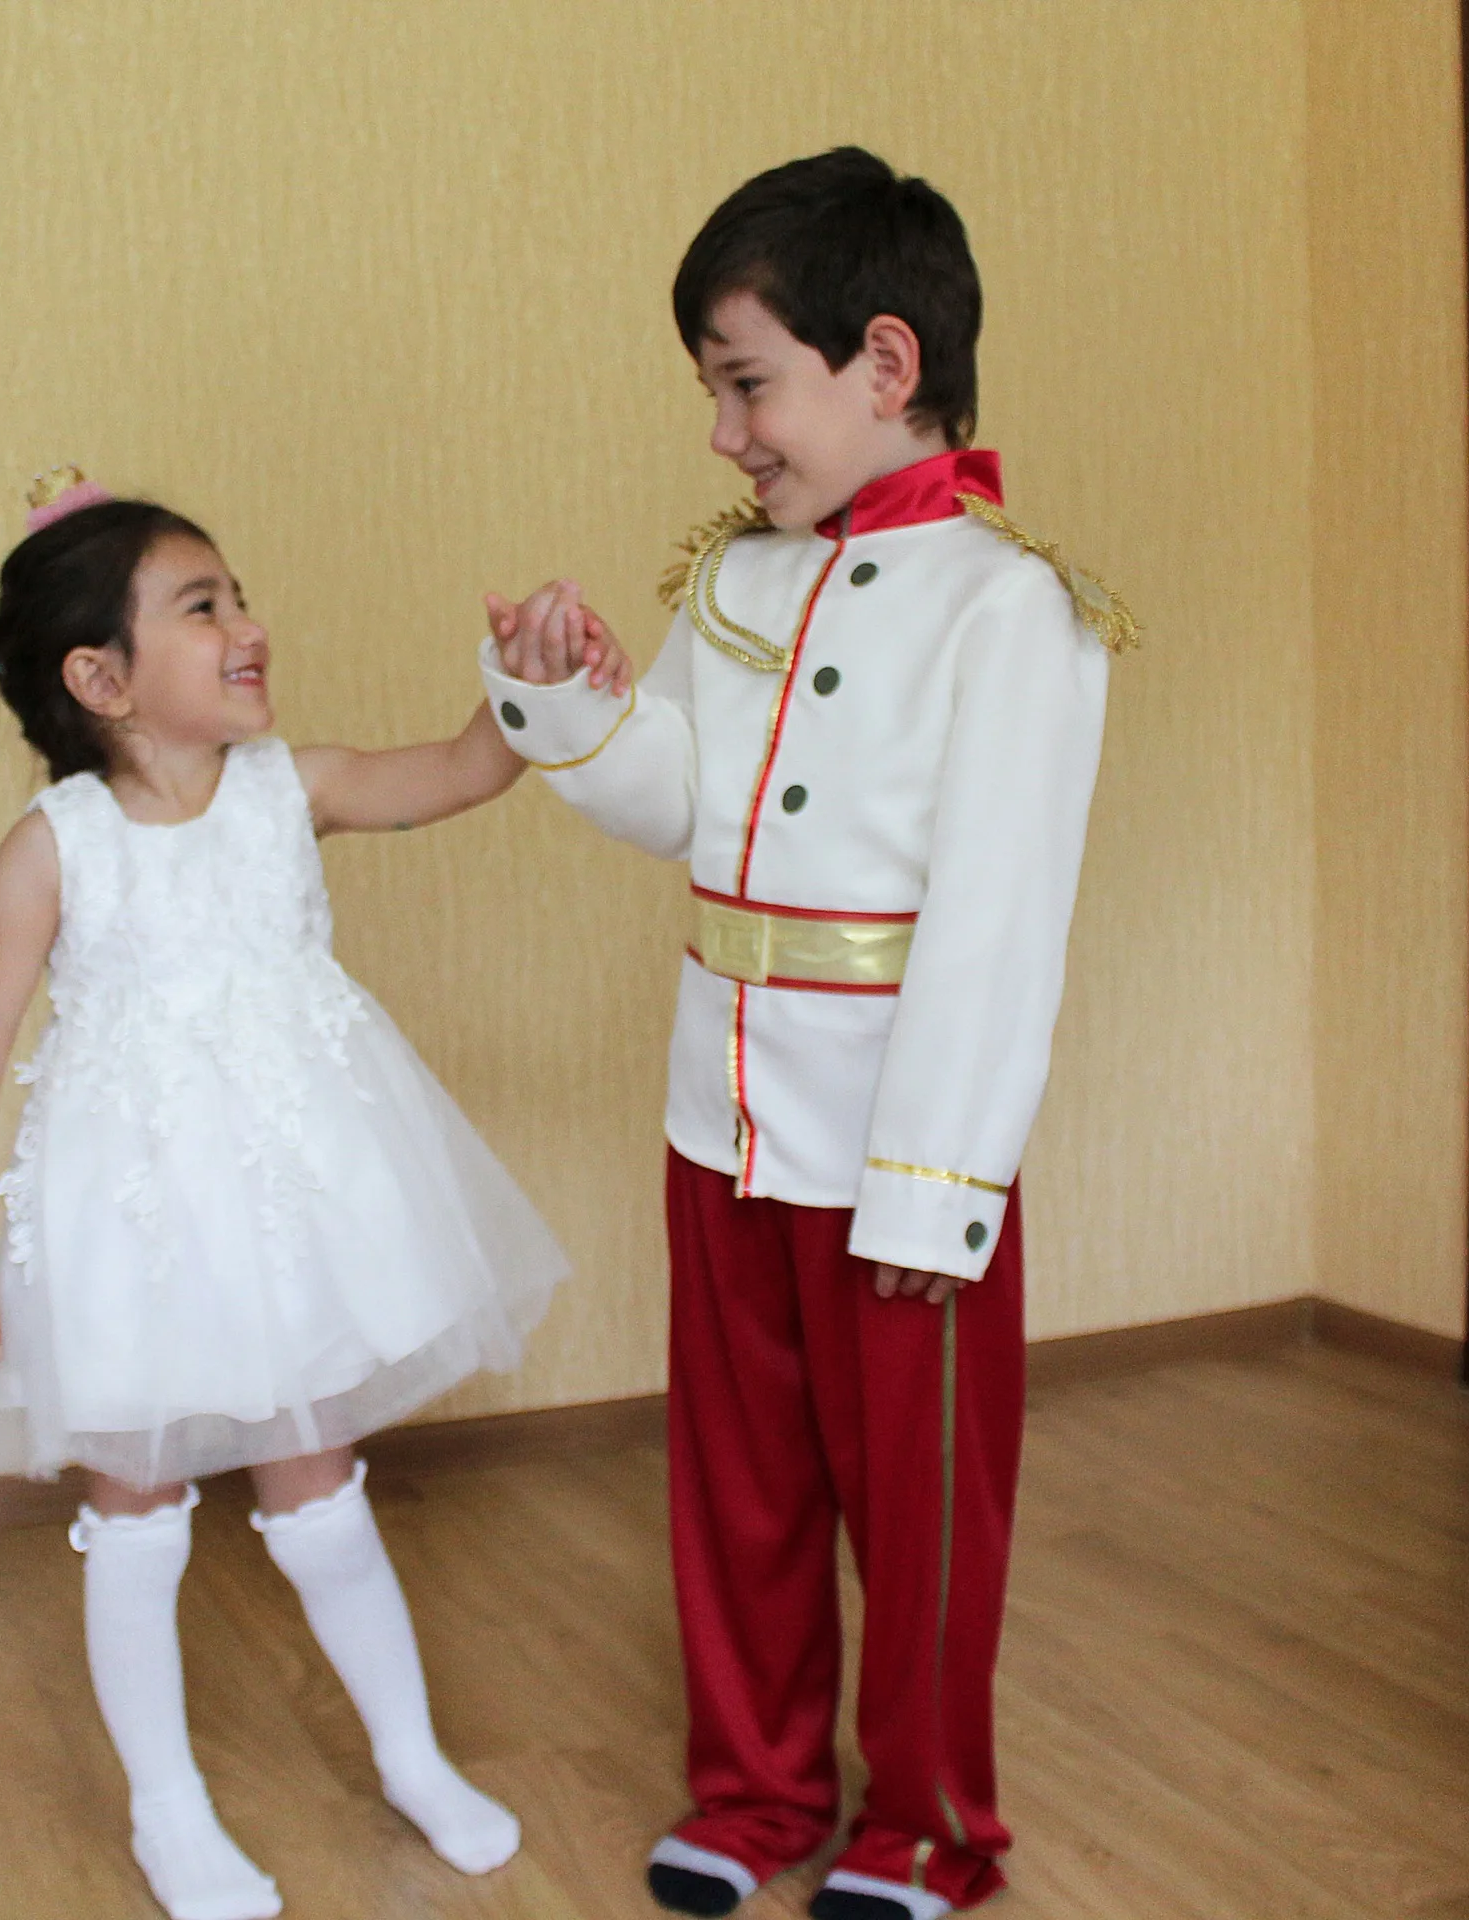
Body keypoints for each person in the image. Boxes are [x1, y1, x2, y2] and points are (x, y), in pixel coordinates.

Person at [480, 150, 1135, 1920]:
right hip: (726, 1118)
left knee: (919, 1514)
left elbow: (1000, 927)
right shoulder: (742, 582)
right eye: (716, 392)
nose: (724, 436)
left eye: (746, 384)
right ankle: (756, 1794)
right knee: (742, 1484)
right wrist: (564, 700)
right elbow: (678, 805)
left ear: (885, 364)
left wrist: (937, 1184)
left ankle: (931, 1827)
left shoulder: (1014, 607)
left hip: (899, 1152)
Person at [0, 468, 630, 1920]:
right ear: (101, 679)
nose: (249, 625)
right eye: (203, 606)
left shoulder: (292, 788)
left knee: (317, 1483)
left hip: (294, 1207)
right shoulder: (57, 848)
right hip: (140, 1222)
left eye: (238, 596)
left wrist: (529, 682)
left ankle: (411, 1757)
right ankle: (168, 1812)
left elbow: (459, 770)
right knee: (138, 1505)